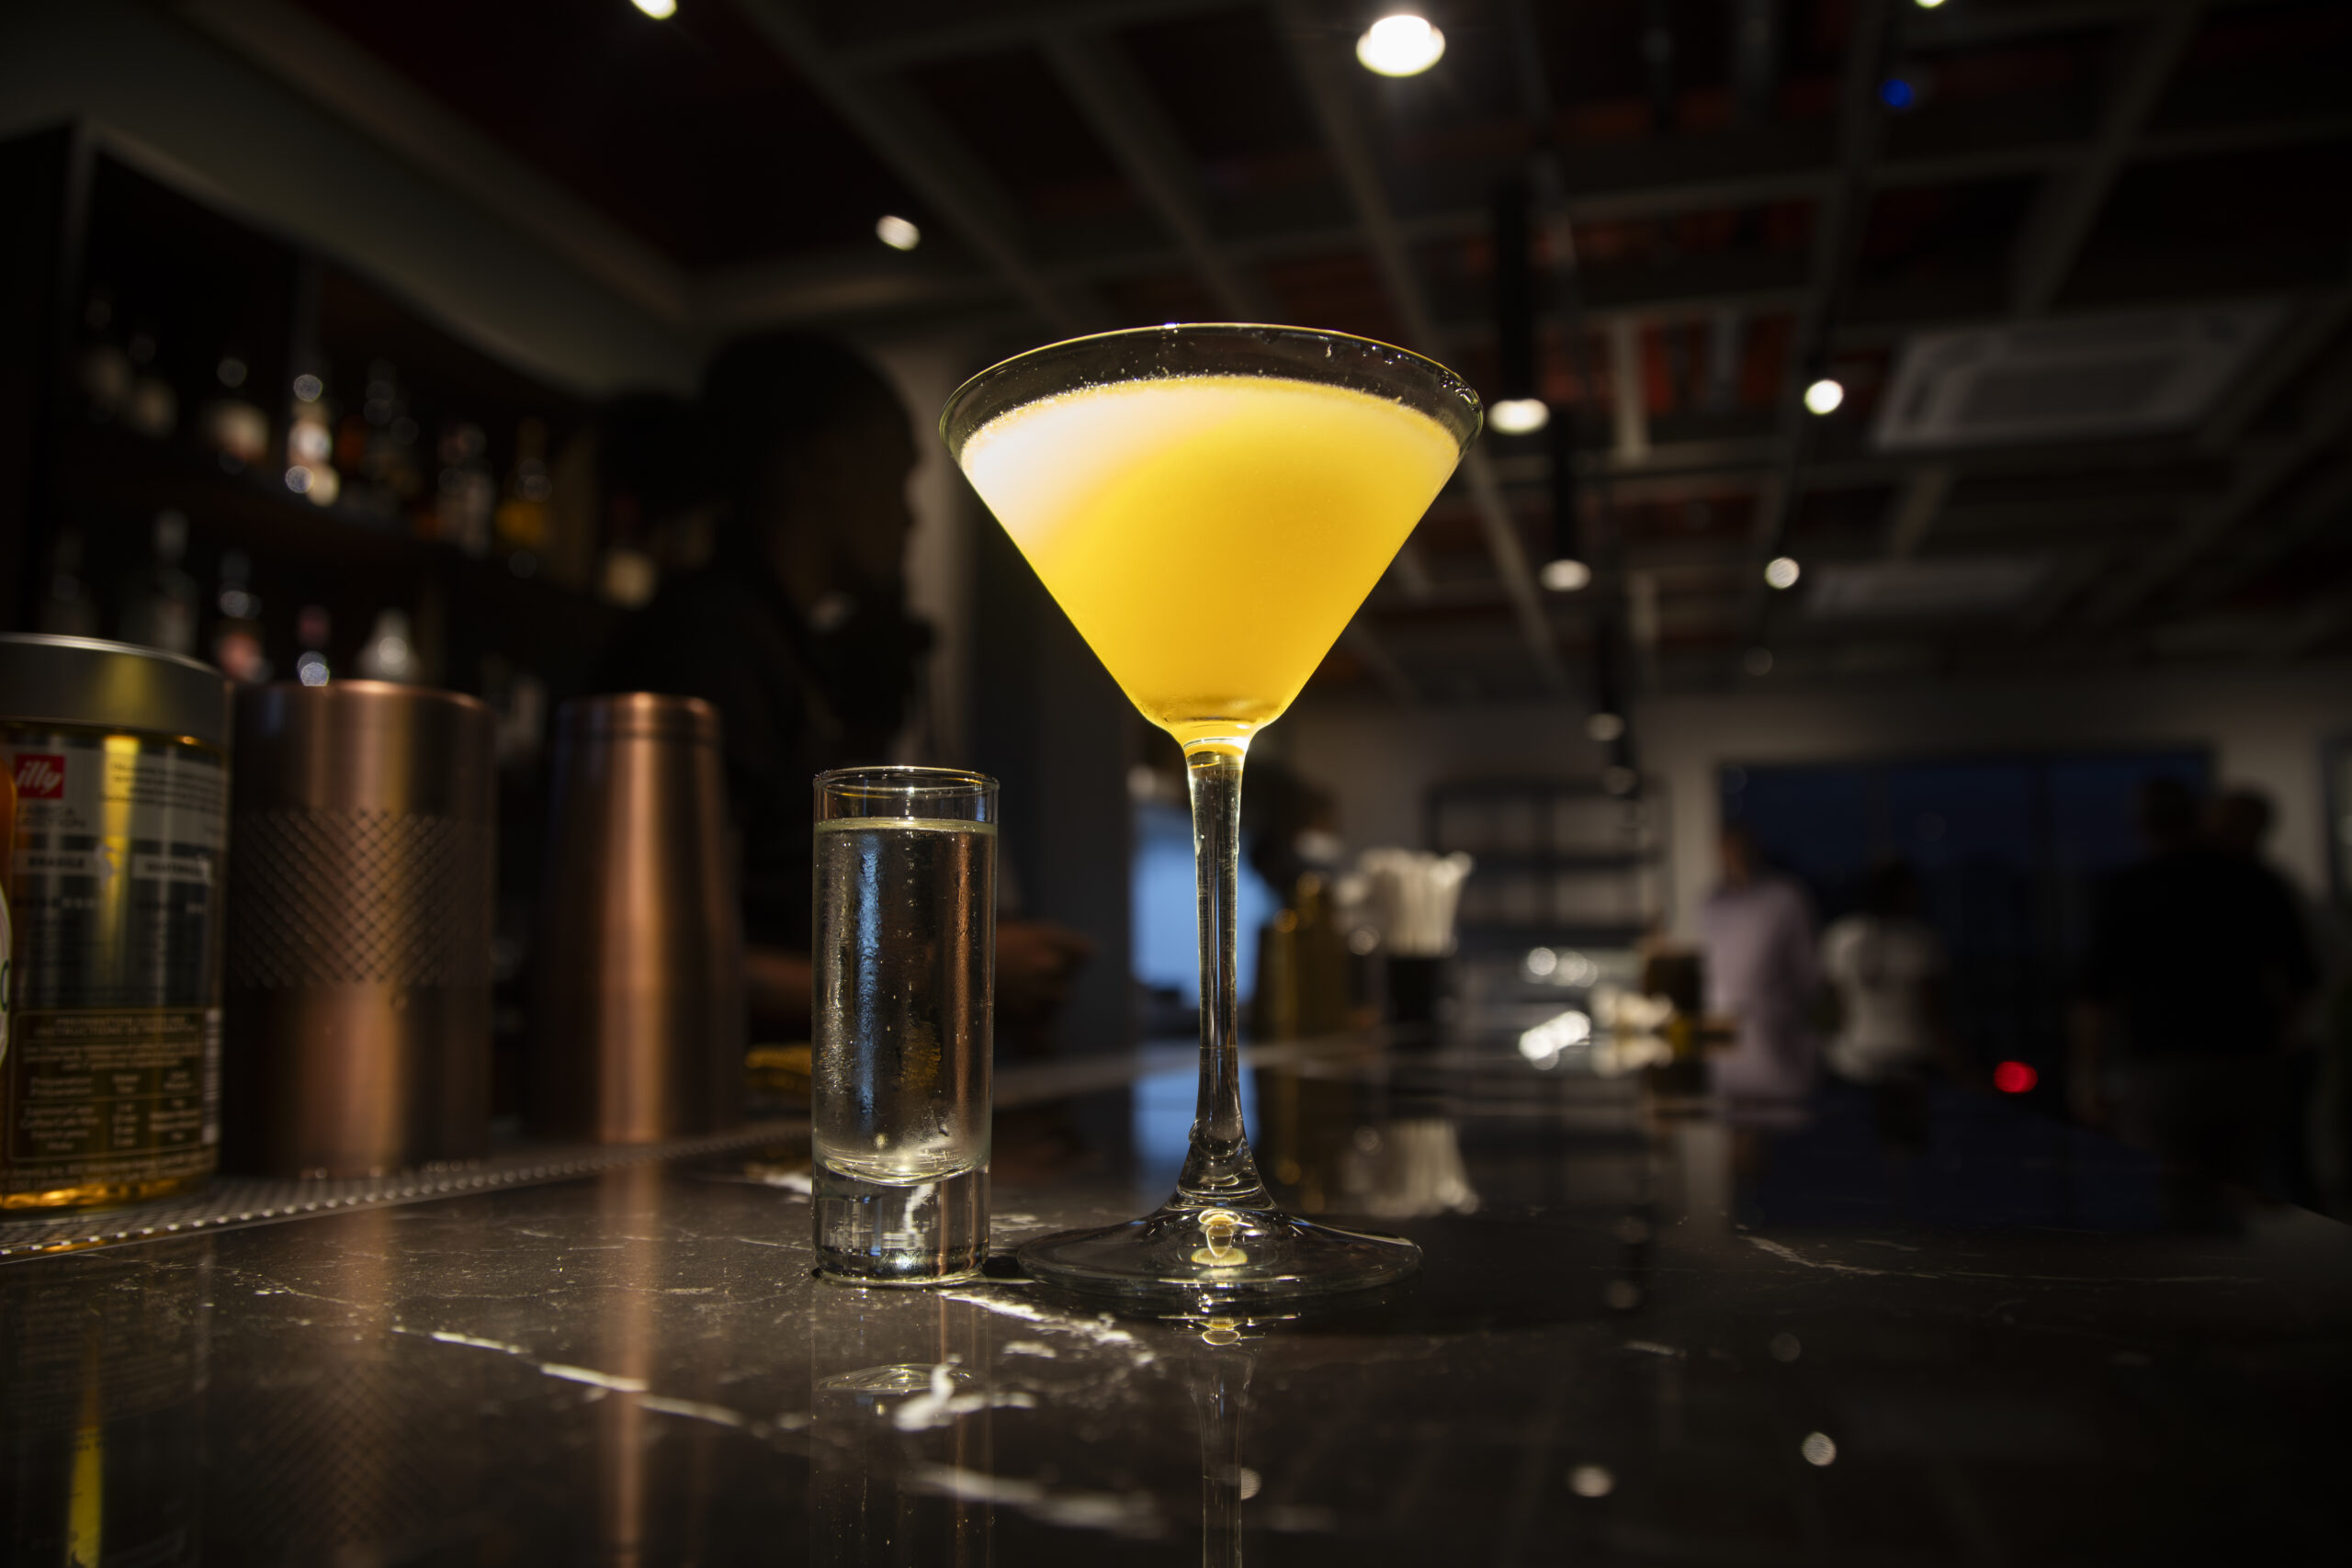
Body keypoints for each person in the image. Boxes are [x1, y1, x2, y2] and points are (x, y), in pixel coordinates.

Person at [594, 331, 1089, 1043]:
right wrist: (953, 976)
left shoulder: (788, 652)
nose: (912, 516)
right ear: (826, 464)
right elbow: (661, 958)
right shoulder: (709, 645)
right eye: (900, 479)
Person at [2073, 778, 2317, 1196]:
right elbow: (2302, 979)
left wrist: (2087, 1075)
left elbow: (2094, 995)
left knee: (2171, 1195)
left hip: (2163, 1067)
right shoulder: (2255, 882)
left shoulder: (2130, 889)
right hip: (2247, 1062)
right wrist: (2277, 1042)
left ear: (2143, 826)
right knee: (2241, 1192)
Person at [1820, 860, 1968, 1089]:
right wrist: (1960, 1067)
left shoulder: (1840, 936)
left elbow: (1832, 1006)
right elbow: (1933, 1012)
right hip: (1909, 1057)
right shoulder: (1919, 941)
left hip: (1852, 1057)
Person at [1701, 823, 1821, 1101]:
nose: (1733, 856)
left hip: (1777, 1020)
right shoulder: (1711, 904)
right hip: (1722, 1025)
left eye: (1738, 848)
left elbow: (1805, 960)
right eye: (1726, 850)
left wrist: (1807, 1007)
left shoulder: (1785, 897)